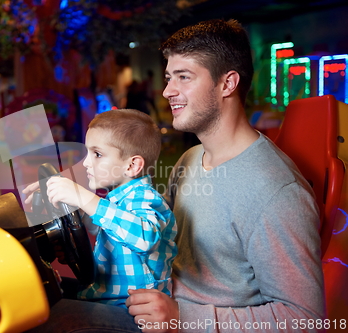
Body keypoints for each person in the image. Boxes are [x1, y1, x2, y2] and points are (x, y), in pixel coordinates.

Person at [27, 19, 325, 333]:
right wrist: (73, 213)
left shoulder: (276, 190)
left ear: (227, 84)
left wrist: (182, 317)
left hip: (179, 325)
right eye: (170, 77)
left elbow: (306, 317)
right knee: (37, 301)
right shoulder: (189, 160)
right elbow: (150, 233)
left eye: (184, 77)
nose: (168, 91)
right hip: (145, 306)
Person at [24, 109, 178, 310]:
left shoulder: (144, 198)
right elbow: (107, 231)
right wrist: (76, 213)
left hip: (129, 311)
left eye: (97, 154)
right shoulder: (117, 200)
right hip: (104, 296)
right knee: (37, 290)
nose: (86, 163)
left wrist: (85, 198)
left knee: (48, 317)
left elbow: (144, 238)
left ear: (132, 166)